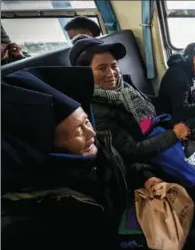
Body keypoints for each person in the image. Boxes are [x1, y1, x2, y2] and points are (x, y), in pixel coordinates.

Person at [1, 66, 164, 248]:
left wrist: (146, 176)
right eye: (79, 129)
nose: (92, 132)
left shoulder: (96, 150)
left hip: (125, 219)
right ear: (48, 146)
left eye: (87, 121)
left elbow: (121, 170)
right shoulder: (26, 216)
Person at [68, 37, 191, 169]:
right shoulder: (96, 111)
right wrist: (173, 135)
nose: (111, 73)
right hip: (144, 159)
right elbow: (132, 152)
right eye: (102, 68)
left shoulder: (124, 88)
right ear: (83, 73)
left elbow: (150, 110)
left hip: (153, 132)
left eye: (114, 66)